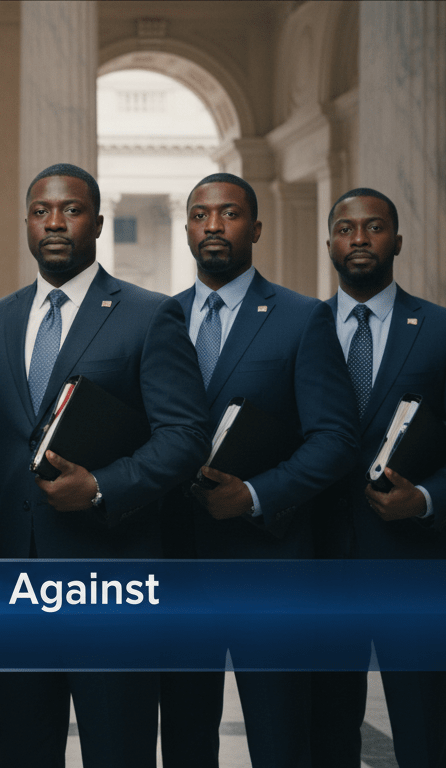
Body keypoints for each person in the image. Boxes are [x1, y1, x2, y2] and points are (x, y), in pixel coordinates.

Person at [0, 163, 209, 767]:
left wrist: (103, 486)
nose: (55, 222)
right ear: (26, 221)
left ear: (98, 222)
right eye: (41, 210)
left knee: (120, 747)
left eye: (71, 210)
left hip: (112, 574)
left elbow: (185, 435)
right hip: (13, 581)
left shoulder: (149, 314)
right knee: (24, 751)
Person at [158, 173, 359, 768]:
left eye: (229, 213)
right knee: (186, 735)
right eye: (200, 214)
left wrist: (254, 495)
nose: (213, 225)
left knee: (279, 732)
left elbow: (336, 439)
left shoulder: (301, 318)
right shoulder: (157, 319)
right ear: (188, 226)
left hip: (269, 561)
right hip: (177, 560)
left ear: (256, 227)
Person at [310, 188, 446, 768]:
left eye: (374, 227)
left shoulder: (444, 330)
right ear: (330, 244)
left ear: (397, 239)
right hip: (319, 568)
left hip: (414, 566)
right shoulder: (301, 329)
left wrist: (425, 498)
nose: (360, 238)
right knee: (325, 733)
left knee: (422, 733)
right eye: (346, 228)